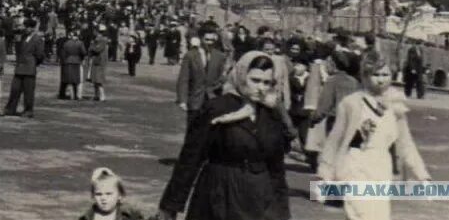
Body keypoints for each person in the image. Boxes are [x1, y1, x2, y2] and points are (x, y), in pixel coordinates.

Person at [157, 51, 291, 220]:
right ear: (241, 76)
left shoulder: (271, 114)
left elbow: (276, 168)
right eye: (255, 80)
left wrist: (282, 210)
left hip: (259, 197)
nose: (261, 88)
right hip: (219, 192)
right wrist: (171, 205)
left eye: (266, 82)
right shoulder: (217, 108)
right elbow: (191, 158)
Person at [317, 51, 430, 220]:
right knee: (361, 213)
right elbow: (335, 140)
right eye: (376, 74)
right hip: (355, 165)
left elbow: (406, 143)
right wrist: (325, 176)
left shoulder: (395, 105)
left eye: (385, 74)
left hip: (381, 169)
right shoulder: (351, 104)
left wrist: (422, 176)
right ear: (364, 75)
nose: (381, 79)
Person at [175, 29, 228, 128]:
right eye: (207, 40)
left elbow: (223, 77)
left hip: (213, 99)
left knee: (209, 131)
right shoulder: (190, 55)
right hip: (195, 99)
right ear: (201, 39)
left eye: (212, 40)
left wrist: (216, 86)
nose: (209, 43)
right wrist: (182, 100)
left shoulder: (220, 56)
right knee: (193, 130)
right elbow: (183, 79)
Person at [4, 17, 45, 117]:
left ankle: (28, 110)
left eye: (27, 27)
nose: (25, 29)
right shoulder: (22, 37)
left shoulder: (37, 39)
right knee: (15, 89)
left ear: (32, 28)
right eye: (25, 27)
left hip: (29, 67)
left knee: (28, 91)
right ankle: (10, 108)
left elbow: (40, 55)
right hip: (20, 66)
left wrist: (34, 63)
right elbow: (16, 44)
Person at [77, 167, 144, 220]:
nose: (103, 198)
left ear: (119, 195)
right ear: (93, 196)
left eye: (108, 194)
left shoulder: (131, 215)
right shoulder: (86, 217)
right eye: (98, 194)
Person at [60, 30, 86, 100]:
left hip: (68, 61)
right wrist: (81, 58)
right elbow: (83, 52)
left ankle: (72, 95)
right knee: (77, 79)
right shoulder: (80, 43)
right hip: (77, 61)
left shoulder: (66, 43)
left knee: (70, 79)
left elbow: (64, 53)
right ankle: (77, 95)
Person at [85, 32, 109, 101]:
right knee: (95, 80)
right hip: (95, 63)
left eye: (98, 35)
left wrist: (92, 46)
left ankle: (102, 95)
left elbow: (97, 49)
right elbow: (90, 51)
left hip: (100, 64)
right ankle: (96, 95)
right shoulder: (96, 42)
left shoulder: (103, 42)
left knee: (99, 80)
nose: (97, 37)